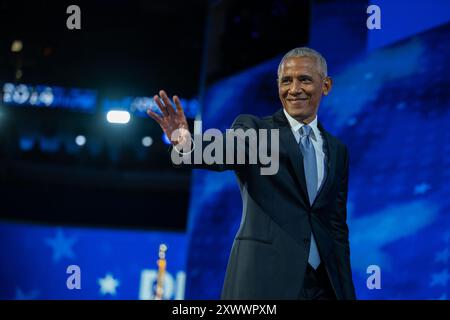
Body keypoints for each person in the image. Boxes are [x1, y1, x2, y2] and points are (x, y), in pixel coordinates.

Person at [147, 47, 356, 300]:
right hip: (265, 281)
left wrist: (345, 292)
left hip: (322, 289)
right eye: (286, 81)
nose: (294, 89)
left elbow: (336, 227)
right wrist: (184, 142)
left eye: (305, 79)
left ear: (326, 85)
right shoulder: (256, 131)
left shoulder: (337, 150)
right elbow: (221, 151)